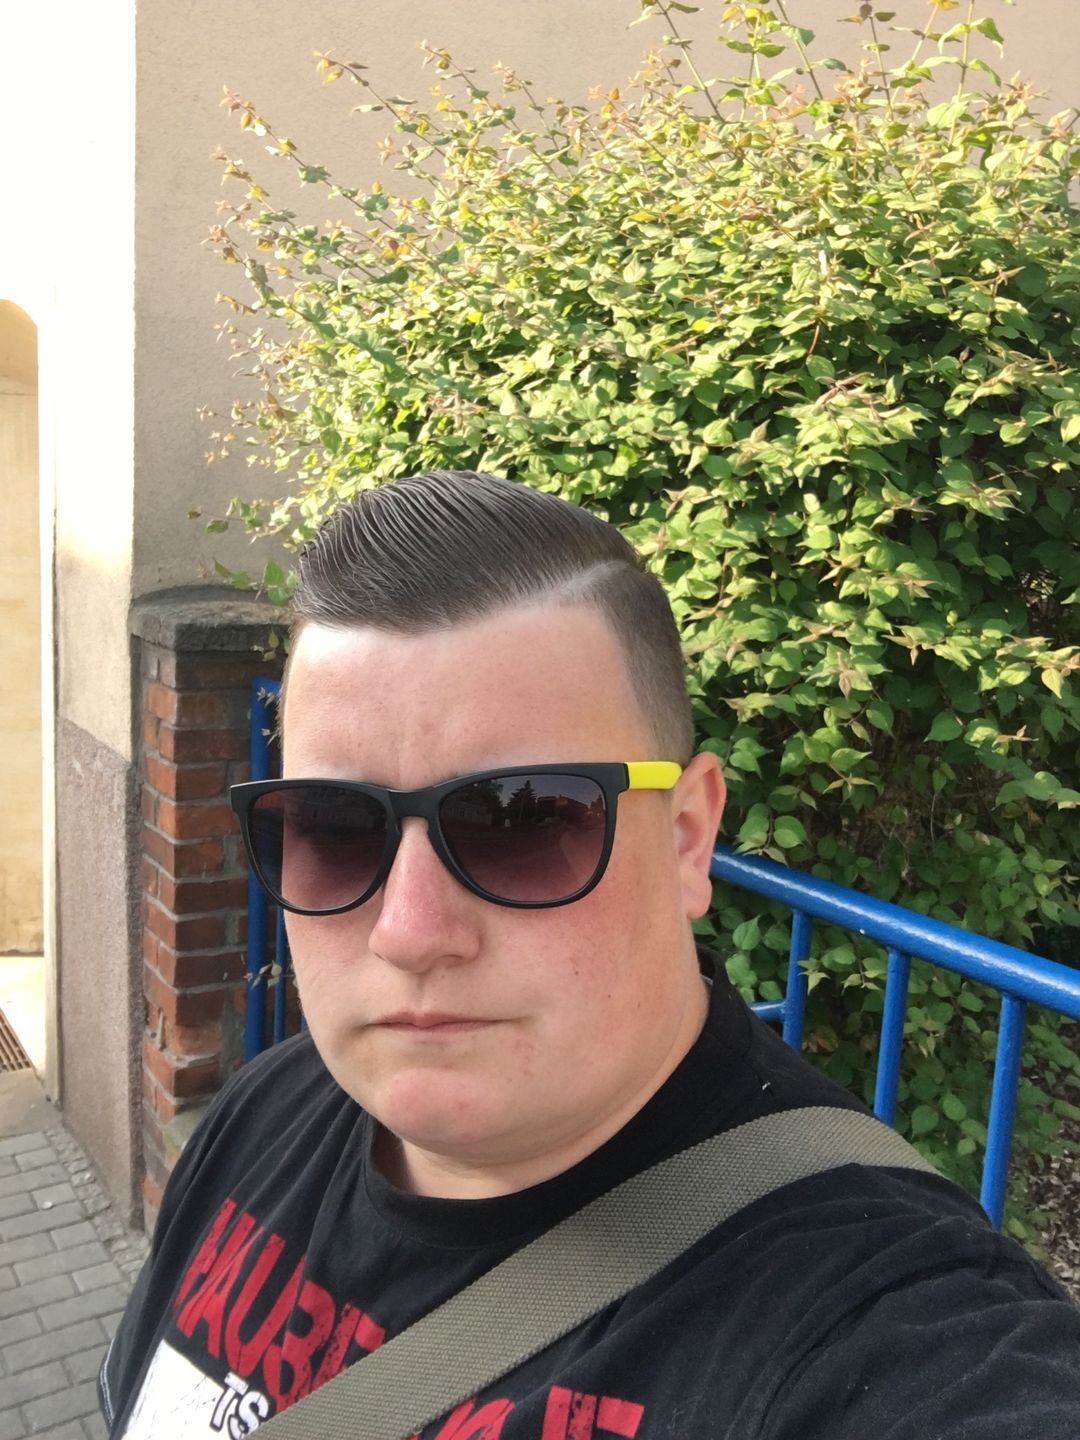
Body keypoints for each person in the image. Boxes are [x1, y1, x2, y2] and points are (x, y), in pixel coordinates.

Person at [100, 470, 1080, 1438]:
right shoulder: (264, 1112)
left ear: (687, 837)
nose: (410, 931)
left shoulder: (886, 1324)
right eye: (333, 827)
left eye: (522, 821)